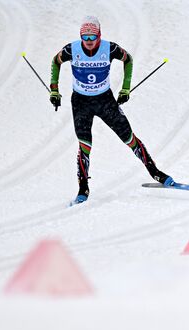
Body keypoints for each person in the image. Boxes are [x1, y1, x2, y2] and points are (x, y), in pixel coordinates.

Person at [49, 16, 174, 204]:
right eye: (85, 38)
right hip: (81, 103)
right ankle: (83, 189)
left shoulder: (110, 48)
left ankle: (155, 173)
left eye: (92, 38)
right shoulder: (71, 49)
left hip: (105, 100)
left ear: (99, 35)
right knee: (85, 145)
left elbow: (128, 60)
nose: (89, 42)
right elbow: (56, 61)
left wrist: (125, 88)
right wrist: (54, 90)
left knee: (128, 138)